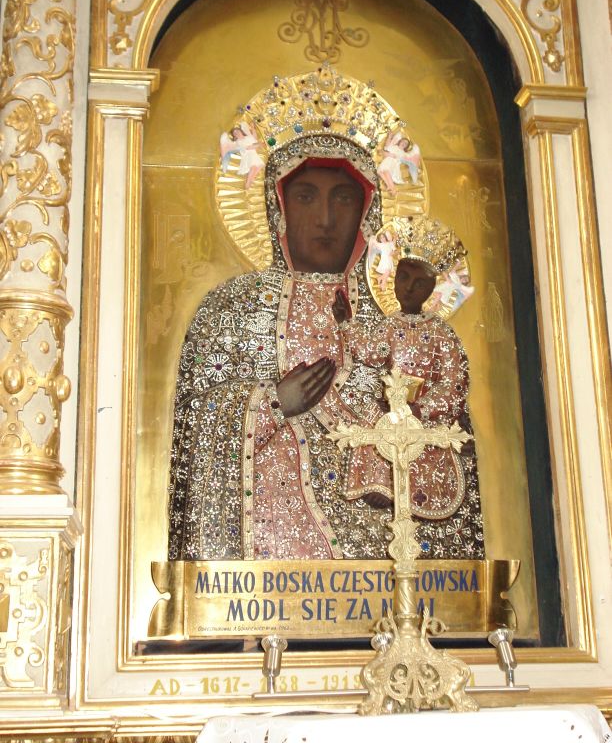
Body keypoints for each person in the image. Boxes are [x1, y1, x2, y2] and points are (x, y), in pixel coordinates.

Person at [168, 133, 396, 561]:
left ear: (367, 213)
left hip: (379, 560)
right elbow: (193, 433)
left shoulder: (394, 324)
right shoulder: (230, 308)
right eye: (306, 197)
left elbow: (440, 433)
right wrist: (272, 403)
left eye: (343, 199)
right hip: (260, 553)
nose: (325, 219)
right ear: (279, 210)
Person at [332, 235, 485, 559]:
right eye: (403, 277)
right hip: (393, 407)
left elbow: (455, 381)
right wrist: (346, 323)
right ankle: (380, 486)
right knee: (373, 426)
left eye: (420, 283)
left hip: (425, 414)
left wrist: (422, 407)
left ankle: (414, 495)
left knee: (425, 447)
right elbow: (372, 352)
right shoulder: (391, 325)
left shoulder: (441, 333)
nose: (409, 288)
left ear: (433, 288)